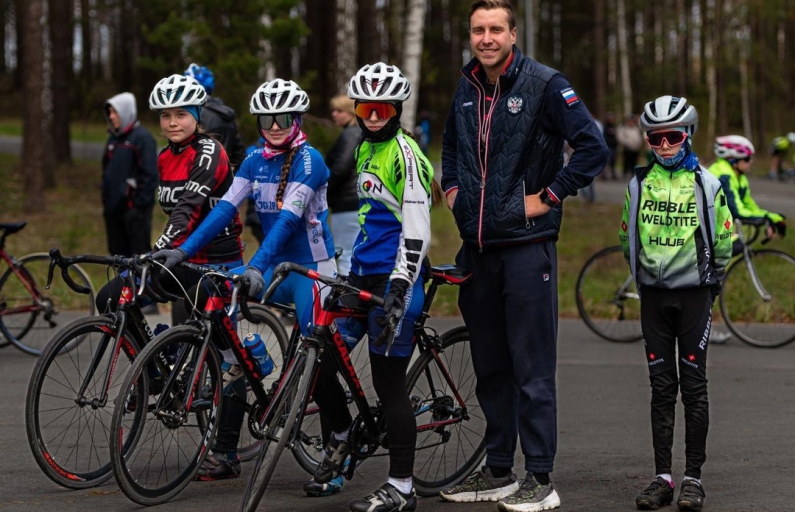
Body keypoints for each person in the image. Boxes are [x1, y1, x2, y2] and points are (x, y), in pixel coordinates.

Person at [439, 2, 608, 511]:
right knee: (490, 367)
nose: (486, 38)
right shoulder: (467, 87)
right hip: (479, 249)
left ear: (513, 34)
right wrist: (453, 193)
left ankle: (541, 479)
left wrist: (550, 196)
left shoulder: (546, 83)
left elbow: (592, 147)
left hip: (527, 248)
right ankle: (498, 472)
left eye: (496, 29)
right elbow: (449, 147)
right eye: (478, 30)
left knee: (531, 370)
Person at [153, 78, 337, 482]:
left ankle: (337, 446)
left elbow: (289, 221)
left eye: (283, 117)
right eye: (266, 118)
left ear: (297, 118)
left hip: (311, 269)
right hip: (272, 265)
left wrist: (254, 266)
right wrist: (183, 251)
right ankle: (228, 446)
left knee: (319, 360)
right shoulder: (254, 159)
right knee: (221, 321)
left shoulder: (311, 161)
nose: (274, 125)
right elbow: (222, 212)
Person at [307, 62, 440, 512]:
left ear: (397, 108)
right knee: (320, 358)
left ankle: (402, 489)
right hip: (361, 272)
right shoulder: (364, 147)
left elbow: (417, 233)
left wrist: (400, 289)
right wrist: (343, 271)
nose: (374, 114)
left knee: (388, 383)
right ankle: (342, 437)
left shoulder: (407, 155)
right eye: (366, 106)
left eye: (383, 107)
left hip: (396, 279)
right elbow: (365, 221)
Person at [619, 96, 733, 512]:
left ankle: (693, 479)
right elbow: (625, 234)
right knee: (662, 389)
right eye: (655, 138)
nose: (664, 145)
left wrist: (710, 281)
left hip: (693, 296)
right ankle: (663, 477)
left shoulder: (706, 184)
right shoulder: (638, 183)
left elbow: (723, 239)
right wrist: (642, 274)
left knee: (694, 387)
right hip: (653, 297)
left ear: (687, 135)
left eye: (672, 136)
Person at [95, 76, 244, 318]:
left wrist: (154, 253)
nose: (172, 123)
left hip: (215, 262)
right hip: (180, 260)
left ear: (197, 115)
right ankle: (151, 356)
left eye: (181, 114)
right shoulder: (164, 156)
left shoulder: (209, 151)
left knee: (192, 329)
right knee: (109, 299)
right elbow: (174, 215)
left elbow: (187, 209)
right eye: (166, 115)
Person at [184, 63, 262, 244]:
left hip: (197, 188)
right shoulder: (227, 115)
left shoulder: (196, 114)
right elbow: (239, 155)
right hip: (224, 192)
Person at [100, 92, 158, 258]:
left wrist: (138, 207)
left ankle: (141, 285)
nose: (111, 117)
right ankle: (121, 285)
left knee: (138, 258)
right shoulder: (113, 138)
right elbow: (106, 170)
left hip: (134, 213)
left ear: (126, 111)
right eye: (109, 112)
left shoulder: (143, 138)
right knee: (117, 257)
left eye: (115, 112)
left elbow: (150, 175)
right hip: (113, 211)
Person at [709, 135, 786, 245]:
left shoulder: (740, 177)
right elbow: (737, 211)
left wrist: (771, 216)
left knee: (742, 240)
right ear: (733, 160)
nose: (751, 162)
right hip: (703, 228)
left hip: (718, 225)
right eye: (747, 159)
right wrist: (766, 218)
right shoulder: (724, 176)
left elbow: (749, 206)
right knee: (735, 246)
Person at [325, 94, 363, 276]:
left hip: (347, 203)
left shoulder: (351, 134)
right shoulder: (358, 133)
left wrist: (324, 192)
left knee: (345, 253)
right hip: (354, 202)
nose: (334, 114)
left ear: (350, 112)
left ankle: (348, 299)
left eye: (339, 110)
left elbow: (341, 168)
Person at [601, 111, 619, 180]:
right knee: (607, 160)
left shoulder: (614, 126)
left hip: (614, 146)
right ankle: (604, 174)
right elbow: (604, 136)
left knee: (613, 161)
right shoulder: (605, 127)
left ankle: (613, 173)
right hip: (608, 146)